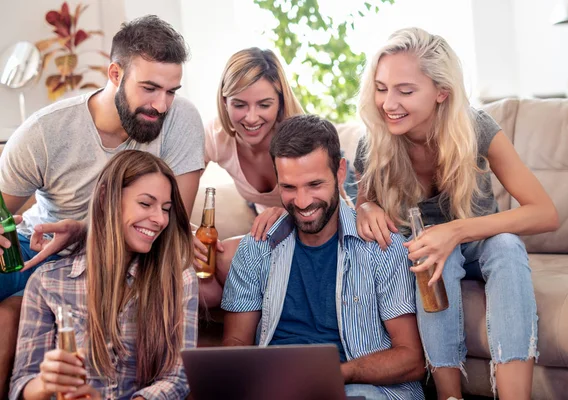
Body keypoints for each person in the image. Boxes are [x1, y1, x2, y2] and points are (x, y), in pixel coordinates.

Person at [0, 15, 204, 394]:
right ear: (115, 73)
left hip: (118, 248)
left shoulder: (182, 121)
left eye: (171, 90)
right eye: (150, 88)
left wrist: (82, 231)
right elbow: (2, 209)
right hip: (42, 251)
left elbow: (169, 223)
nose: (161, 105)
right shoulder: (44, 133)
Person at [353, 27, 559, 400]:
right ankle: (450, 397)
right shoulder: (376, 140)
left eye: (406, 90)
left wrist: (457, 231)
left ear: (441, 92)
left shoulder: (475, 127)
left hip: (481, 243)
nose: (388, 103)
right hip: (428, 254)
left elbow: (545, 213)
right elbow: (362, 198)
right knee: (435, 260)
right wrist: (365, 206)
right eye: (381, 88)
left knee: (507, 246)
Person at [221, 114, 425, 400]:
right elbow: (236, 341)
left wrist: (339, 372)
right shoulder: (257, 247)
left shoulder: (382, 246)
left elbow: (412, 359)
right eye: (289, 187)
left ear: (340, 172)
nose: (302, 202)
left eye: (314, 185)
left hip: (363, 388)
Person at [10, 150, 198, 399]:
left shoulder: (179, 278)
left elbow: (179, 377)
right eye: (145, 203)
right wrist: (46, 382)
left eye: (166, 209)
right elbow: (21, 385)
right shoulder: (48, 281)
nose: (160, 219)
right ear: (104, 198)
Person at [199, 47, 356, 305]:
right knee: (214, 274)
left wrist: (289, 212)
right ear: (224, 101)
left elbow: (336, 213)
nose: (251, 118)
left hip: (324, 206)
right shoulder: (215, 136)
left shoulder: (299, 135)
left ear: (280, 102)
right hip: (268, 215)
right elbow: (173, 196)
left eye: (264, 104)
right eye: (239, 104)